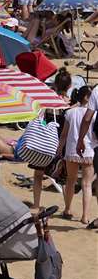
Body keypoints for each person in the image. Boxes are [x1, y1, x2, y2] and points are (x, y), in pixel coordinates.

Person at [55, 85, 95, 226]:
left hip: (72, 150)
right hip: (88, 150)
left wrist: (59, 149)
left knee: (70, 180)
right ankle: (85, 216)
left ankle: (68, 209)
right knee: (87, 184)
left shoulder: (70, 113)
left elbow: (64, 135)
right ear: (87, 98)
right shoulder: (94, 113)